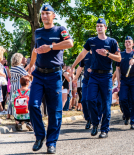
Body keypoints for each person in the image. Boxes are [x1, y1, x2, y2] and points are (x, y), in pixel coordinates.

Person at [28, 4, 73, 154]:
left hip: (54, 75)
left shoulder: (60, 29)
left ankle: (51, 142)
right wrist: (31, 65)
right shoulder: (38, 32)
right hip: (39, 75)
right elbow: (35, 50)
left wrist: (51, 47)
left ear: (53, 15)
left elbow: (70, 43)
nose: (44, 16)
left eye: (47, 13)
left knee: (54, 111)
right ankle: (40, 136)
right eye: (42, 14)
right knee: (33, 105)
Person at [71, 18, 121, 138]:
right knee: (89, 100)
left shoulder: (112, 42)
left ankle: (104, 130)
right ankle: (95, 123)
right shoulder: (91, 41)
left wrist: (107, 54)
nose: (99, 28)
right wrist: (73, 66)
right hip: (93, 75)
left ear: (105, 28)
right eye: (97, 26)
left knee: (106, 103)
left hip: (106, 76)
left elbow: (119, 59)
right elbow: (82, 54)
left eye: (101, 26)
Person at [116, 36, 134, 129]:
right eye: (126, 42)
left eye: (129, 42)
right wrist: (118, 81)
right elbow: (117, 69)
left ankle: (133, 121)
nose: (128, 43)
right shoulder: (121, 55)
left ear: (133, 44)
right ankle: (127, 115)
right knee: (122, 99)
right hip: (124, 79)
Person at [7, 53, 28, 118]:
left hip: (13, 86)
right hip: (19, 86)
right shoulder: (19, 68)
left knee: (11, 100)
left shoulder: (13, 68)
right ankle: (19, 113)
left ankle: (9, 115)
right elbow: (26, 75)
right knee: (19, 100)